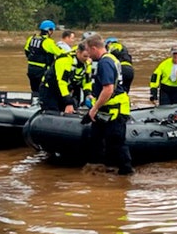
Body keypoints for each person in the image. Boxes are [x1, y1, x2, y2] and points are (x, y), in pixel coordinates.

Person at [84, 34, 132, 175]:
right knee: (96, 139)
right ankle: (100, 170)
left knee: (117, 144)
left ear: (94, 48)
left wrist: (94, 108)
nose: (87, 54)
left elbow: (108, 89)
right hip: (108, 109)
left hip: (115, 110)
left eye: (88, 50)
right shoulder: (112, 58)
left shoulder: (105, 63)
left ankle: (126, 174)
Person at [38, 34, 77, 114]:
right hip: (50, 82)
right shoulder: (65, 53)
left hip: (47, 72)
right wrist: (68, 101)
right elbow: (62, 81)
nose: (73, 40)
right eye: (72, 38)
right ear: (66, 37)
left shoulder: (55, 45)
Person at [25, 20, 62, 91]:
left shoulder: (31, 38)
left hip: (31, 69)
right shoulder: (47, 42)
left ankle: (35, 100)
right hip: (42, 70)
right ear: (49, 31)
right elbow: (59, 53)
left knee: (34, 89)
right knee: (43, 90)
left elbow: (26, 51)